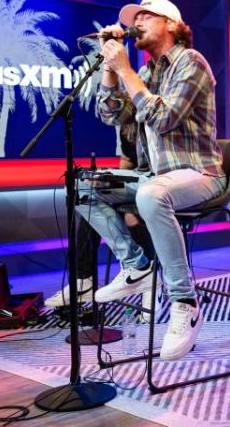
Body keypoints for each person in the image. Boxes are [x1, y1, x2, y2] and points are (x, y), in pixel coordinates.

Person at [78, 0, 225, 361]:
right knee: (81, 184)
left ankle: (185, 302)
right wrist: (111, 68)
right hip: (155, 176)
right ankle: (136, 265)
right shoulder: (146, 73)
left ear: (171, 25)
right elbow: (111, 116)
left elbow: (163, 118)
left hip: (200, 174)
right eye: (135, 18)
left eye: (146, 17)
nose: (137, 23)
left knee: (150, 195)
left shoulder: (192, 63)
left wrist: (124, 69)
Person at [45, 125, 156, 316]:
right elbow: (127, 164)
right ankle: (84, 279)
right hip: (136, 184)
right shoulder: (127, 128)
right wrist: (112, 191)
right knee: (85, 196)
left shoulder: (151, 117)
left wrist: (127, 206)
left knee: (131, 217)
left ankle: (150, 280)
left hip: (157, 186)